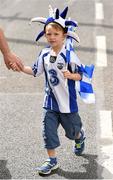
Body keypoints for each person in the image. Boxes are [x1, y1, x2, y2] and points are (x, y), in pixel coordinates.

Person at [11, 6, 95, 175]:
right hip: (49, 103)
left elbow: (83, 75)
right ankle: (52, 161)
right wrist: (20, 68)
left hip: (68, 105)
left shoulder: (70, 55)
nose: (51, 37)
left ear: (64, 35)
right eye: (48, 33)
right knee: (47, 133)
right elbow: (35, 71)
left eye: (56, 34)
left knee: (73, 132)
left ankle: (79, 136)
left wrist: (72, 76)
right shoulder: (44, 54)